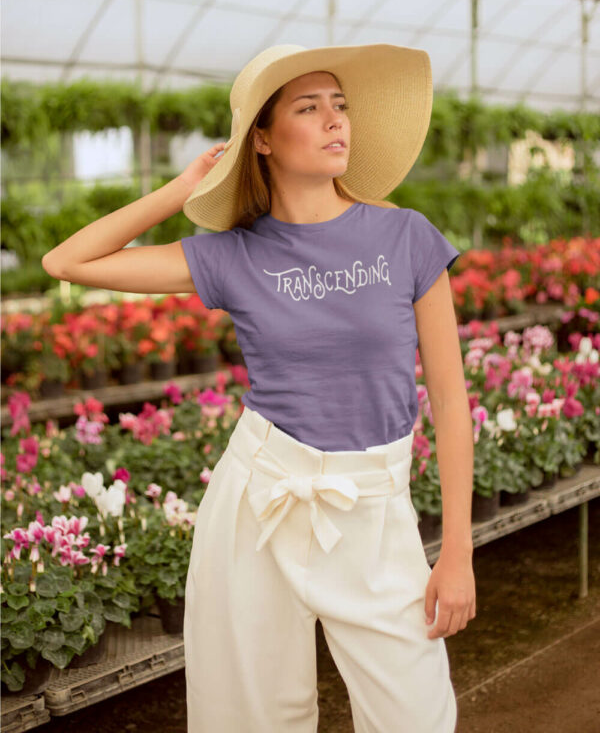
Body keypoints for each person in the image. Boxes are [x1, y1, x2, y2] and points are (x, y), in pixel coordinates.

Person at [42, 43, 475, 733]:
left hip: (374, 507)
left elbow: (451, 405)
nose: (336, 120)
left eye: (341, 106)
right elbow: (68, 260)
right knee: (253, 718)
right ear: (263, 141)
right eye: (310, 107)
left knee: (415, 717)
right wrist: (181, 191)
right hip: (258, 499)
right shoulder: (231, 255)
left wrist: (457, 554)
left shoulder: (406, 237)